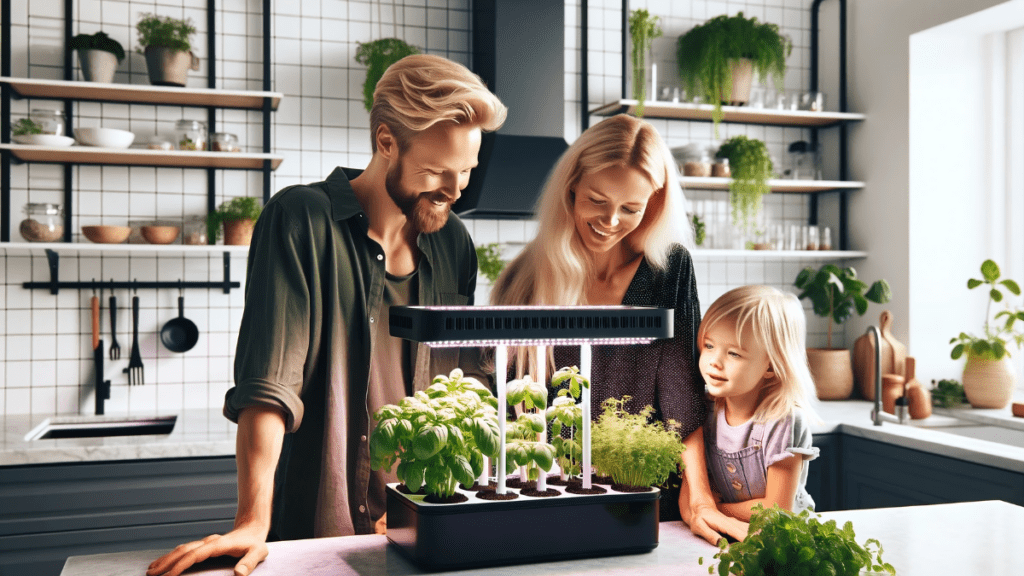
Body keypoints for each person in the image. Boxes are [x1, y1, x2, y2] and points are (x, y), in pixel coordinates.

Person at [147, 54, 507, 576]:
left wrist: (434, 502)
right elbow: (268, 385)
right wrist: (252, 519)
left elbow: (462, 388)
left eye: (467, 172)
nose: (455, 191)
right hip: (320, 526)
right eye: (435, 172)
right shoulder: (300, 220)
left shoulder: (453, 242)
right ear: (386, 143)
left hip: (422, 521)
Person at [489, 113, 747, 544]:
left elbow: (683, 394)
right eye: (596, 200)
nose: (610, 220)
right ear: (571, 188)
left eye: (631, 207)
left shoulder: (669, 269)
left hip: (645, 497)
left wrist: (699, 495)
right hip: (554, 495)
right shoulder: (529, 274)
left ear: (655, 202)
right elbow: (511, 403)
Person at [679, 285, 820, 523]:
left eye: (733, 353)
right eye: (710, 346)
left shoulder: (784, 421)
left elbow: (776, 510)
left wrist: (713, 511)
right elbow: (691, 494)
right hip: (729, 532)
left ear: (771, 366)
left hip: (782, 540)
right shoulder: (704, 409)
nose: (715, 362)